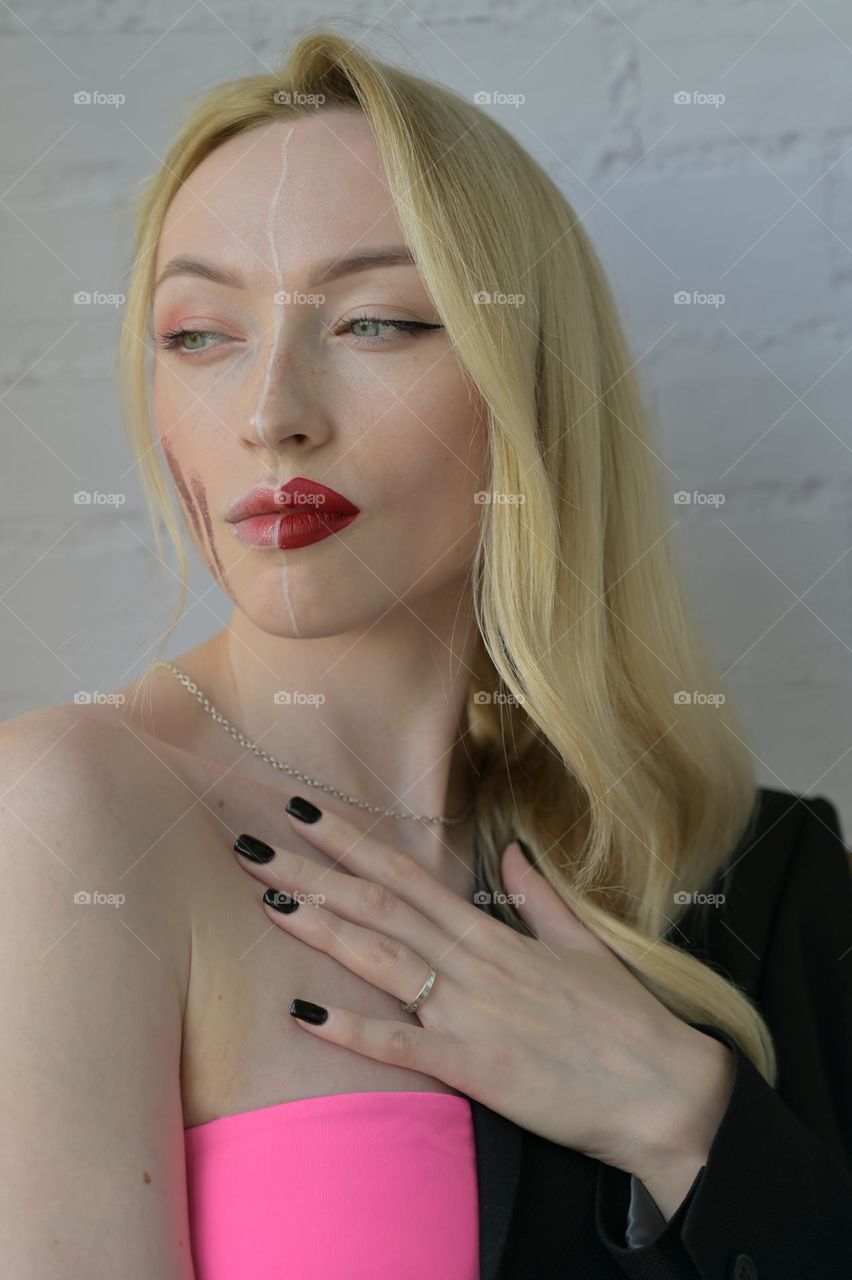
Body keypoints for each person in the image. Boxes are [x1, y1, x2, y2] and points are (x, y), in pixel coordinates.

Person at [2, 27, 850, 1280]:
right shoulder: (77, 807)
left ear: (530, 389)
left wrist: (687, 1118)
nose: (271, 410)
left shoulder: (756, 875)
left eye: (379, 322)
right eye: (198, 334)